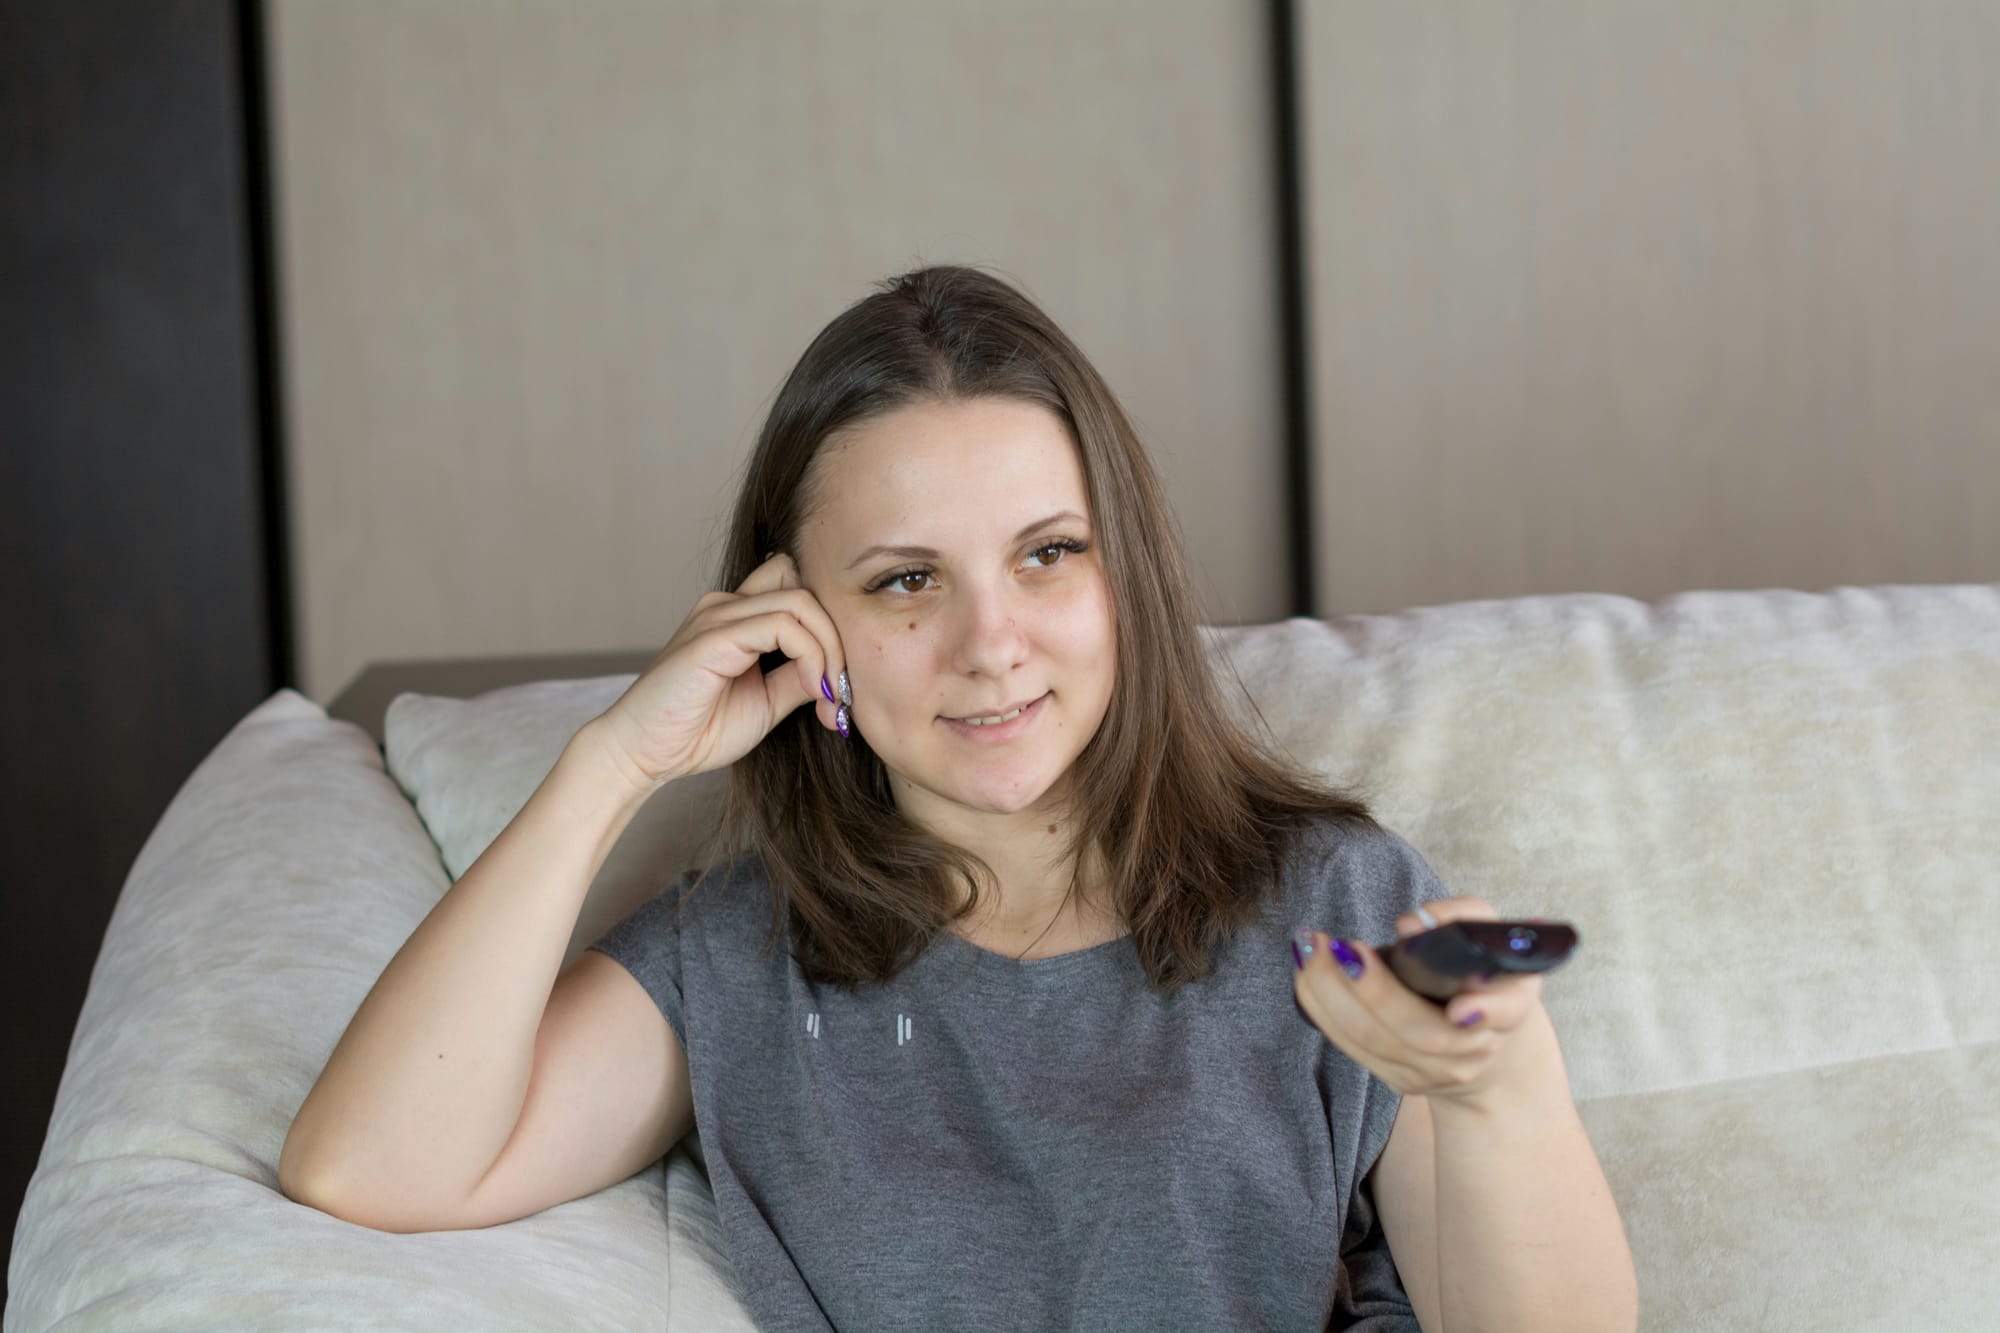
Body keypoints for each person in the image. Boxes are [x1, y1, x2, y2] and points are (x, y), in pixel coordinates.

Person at [279, 265, 1638, 1331]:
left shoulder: (1331, 902)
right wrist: (612, 765)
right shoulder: (744, 957)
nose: (992, 641)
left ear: (1128, 578)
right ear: (795, 620)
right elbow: (371, 1166)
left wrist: (1494, 1088)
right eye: (906, 580)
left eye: (1049, 553)